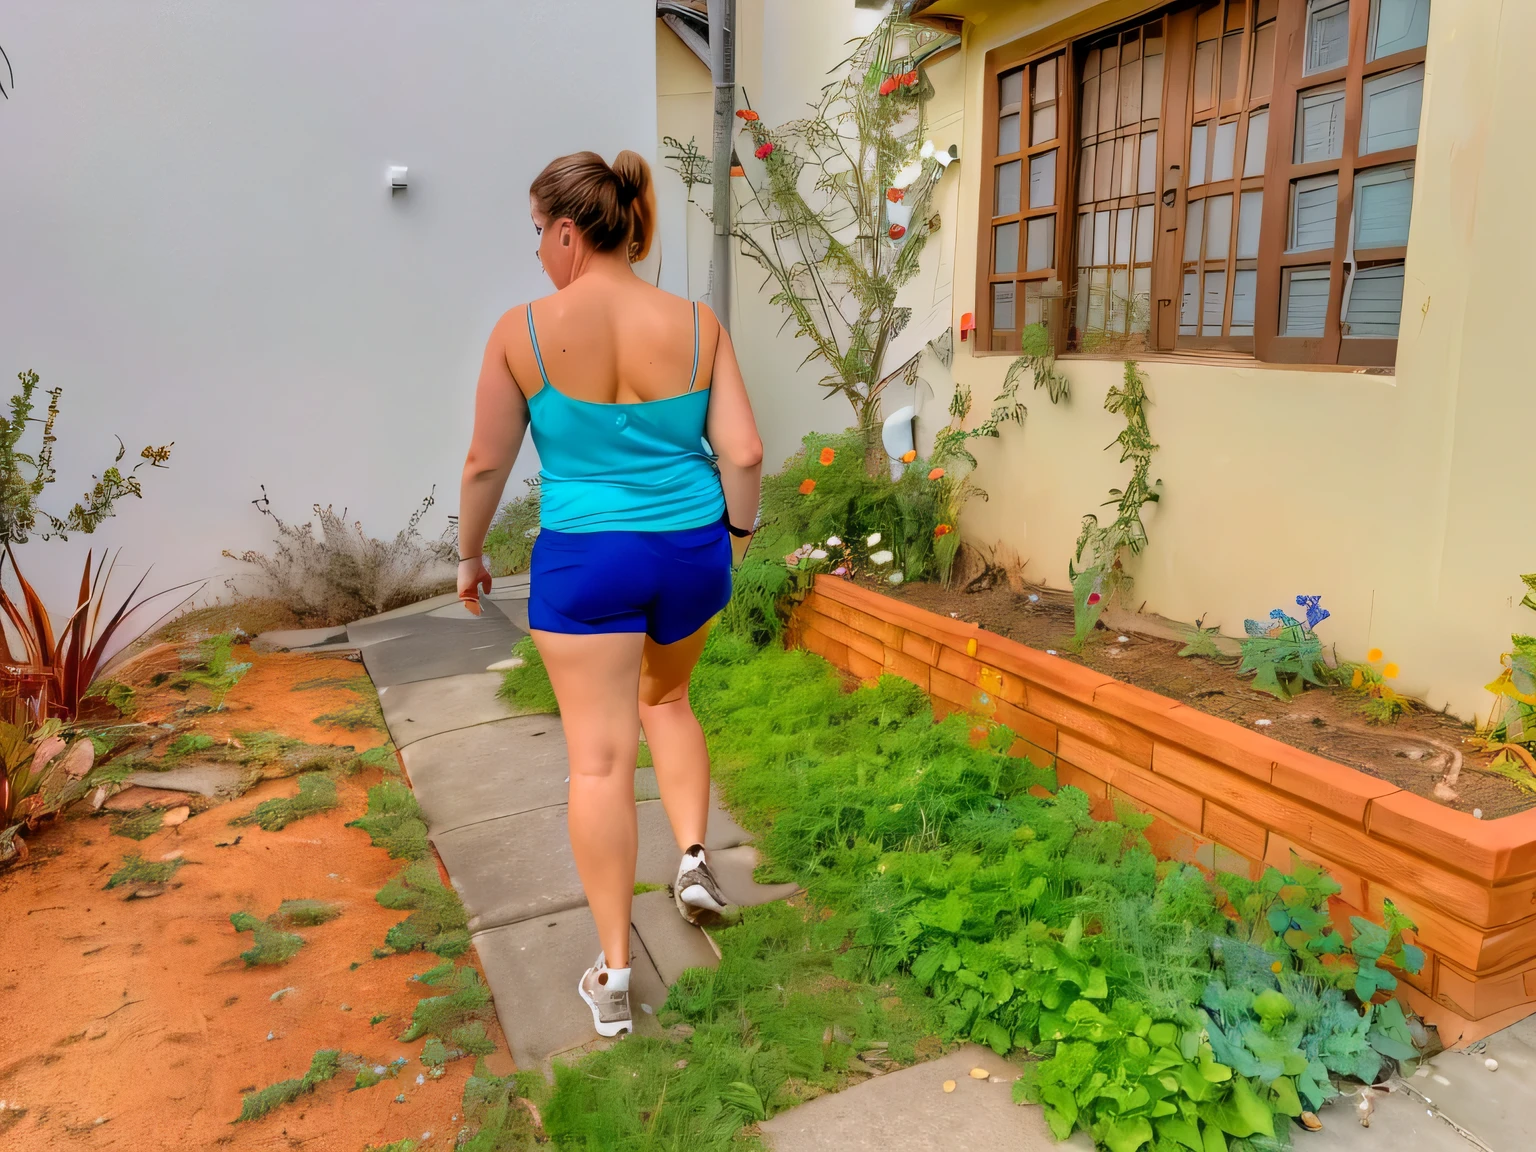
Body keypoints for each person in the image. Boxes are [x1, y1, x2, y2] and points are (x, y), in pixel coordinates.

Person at [454, 150, 763, 1039]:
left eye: (536, 236)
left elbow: (486, 462)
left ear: (563, 231)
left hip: (588, 561)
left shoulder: (522, 330)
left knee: (597, 762)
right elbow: (742, 454)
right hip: (690, 552)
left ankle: (617, 977)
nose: (536, 256)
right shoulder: (699, 324)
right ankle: (696, 860)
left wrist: (470, 557)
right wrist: (734, 537)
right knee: (667, 697)